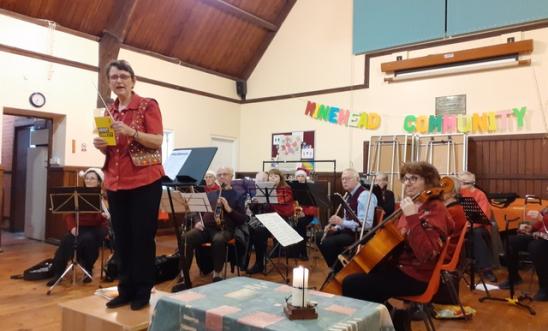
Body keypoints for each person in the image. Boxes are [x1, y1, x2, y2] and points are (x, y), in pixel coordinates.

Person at [342, 162, 454, 331]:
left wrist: (412, 217)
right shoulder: (413, 203)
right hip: (400, 266)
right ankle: (390, 320)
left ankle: (385, 321)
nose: (407, 182)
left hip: (416, 276)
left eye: (414, 178)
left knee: (352, 284)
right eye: (406, 178)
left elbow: (427, 254)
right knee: (357, 272)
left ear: (429, 182)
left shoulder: (436, 210)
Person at [93, 59, 164, 311]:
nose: (119, 81)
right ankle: (125, 289)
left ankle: (143, 291)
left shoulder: (147, 105)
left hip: (145, 181)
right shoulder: (108, 111)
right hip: (116, 182)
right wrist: (101, 144)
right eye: (114, 77)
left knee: (142, 238)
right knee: (121, 239)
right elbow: (112, 146)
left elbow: (157, 141)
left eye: (124, 76)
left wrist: (131, 132)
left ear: (133, 80)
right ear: (109, 82)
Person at [177, 166, 248, 286]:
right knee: (186, 237)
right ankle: (184, 274)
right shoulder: (211, 194)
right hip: (206, 228)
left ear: (231, 177)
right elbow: (198, 212)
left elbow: (242, 220)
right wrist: (197, 221)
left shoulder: (238, 196)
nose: (221, 177)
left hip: (225, 229)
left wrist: (229, 209)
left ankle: (217, 273)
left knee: (218, 239)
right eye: (219, 175)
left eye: (225, 174)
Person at [47, 168, 109, 286]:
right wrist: (72, 227)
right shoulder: (77, 194)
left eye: (92, 178)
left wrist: (103, 215)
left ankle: (88, 268)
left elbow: (100, 220)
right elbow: (69, 214)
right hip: (79, 227)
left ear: (99, 182)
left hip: (97, 227)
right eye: (87, 178)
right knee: (66, 240)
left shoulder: (103, 197)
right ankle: (58, 273)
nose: (89, 181)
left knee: (88, 239)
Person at [316, 168, 377, 271]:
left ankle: (339, 270)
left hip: (359, 234)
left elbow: (366, 224)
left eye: (348, 178)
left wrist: (341, 222)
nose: (344, 181)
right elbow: (347, 218)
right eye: (343, 179)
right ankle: (337, 267)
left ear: (357, 179)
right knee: (319, 236)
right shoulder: (348, 195)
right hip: (348, 231)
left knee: (328, 243)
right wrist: (337, 227)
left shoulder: (364, 195)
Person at [246, 168, 294, 274]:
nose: (272, 178)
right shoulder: (265, 188)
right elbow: (261, 209)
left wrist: (267, 200)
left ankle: (260, 263)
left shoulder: (286, 189)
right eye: (271, 176)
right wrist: (255, 202)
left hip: (282, 221)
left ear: (280, 178)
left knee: (259, 231)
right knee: (249, 227)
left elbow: (284, 207)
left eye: (275, 176)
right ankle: (250, 262)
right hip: (268, 219)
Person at [498, 208, 548, 301]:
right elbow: (541, 224)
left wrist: (542, 218)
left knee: (536, 247)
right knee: (511, 241)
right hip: (541, 236)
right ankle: (514, 277)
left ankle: (545, 288)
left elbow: (544, 220)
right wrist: (531, 228)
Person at [458, 171, 497, 282]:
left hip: (478, 227)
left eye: (464, 183)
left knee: (477, 234)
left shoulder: (480, 195)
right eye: (461, 183)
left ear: (472, 183)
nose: (462, 186)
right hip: (463, 227)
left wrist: (470, 225)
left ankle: (486, 269)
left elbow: (484, 217)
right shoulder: (458, 194)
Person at [292, 168, 319, 260]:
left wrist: (304, 212)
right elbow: (293, 202)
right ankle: (294, 251)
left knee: (300, 224)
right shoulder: (293, 187)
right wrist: (297, 211)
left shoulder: (310, 187)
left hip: (308, 215)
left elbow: (315, 206)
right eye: (298, 176)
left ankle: (303, 252)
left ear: (305, 177)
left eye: (302, 176)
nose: (300, 178)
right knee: (292, 224)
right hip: (296, 212)